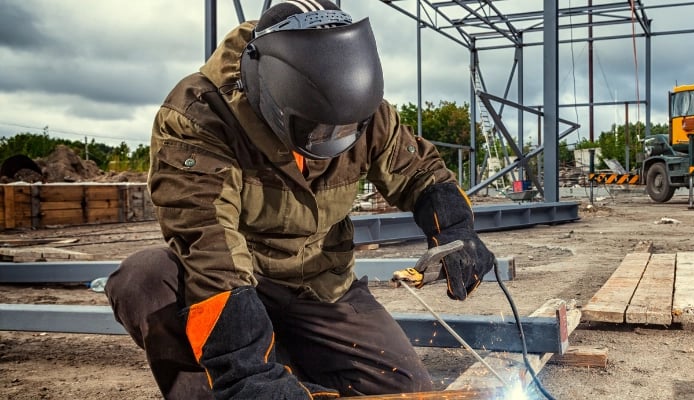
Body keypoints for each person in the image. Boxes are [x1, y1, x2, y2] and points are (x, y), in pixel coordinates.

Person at [105, 1, 495, 398]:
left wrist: (455, 229)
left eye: (343, 130)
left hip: (321, 286)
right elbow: (210, 249)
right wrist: (245, 372)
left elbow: (421, 173)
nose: (329, 142)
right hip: (239, 280)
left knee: (404, 389)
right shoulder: (199, 118)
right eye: (317, 130)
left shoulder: (362, 111)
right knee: (146, 278)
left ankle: (286, 359)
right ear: (272, 93)